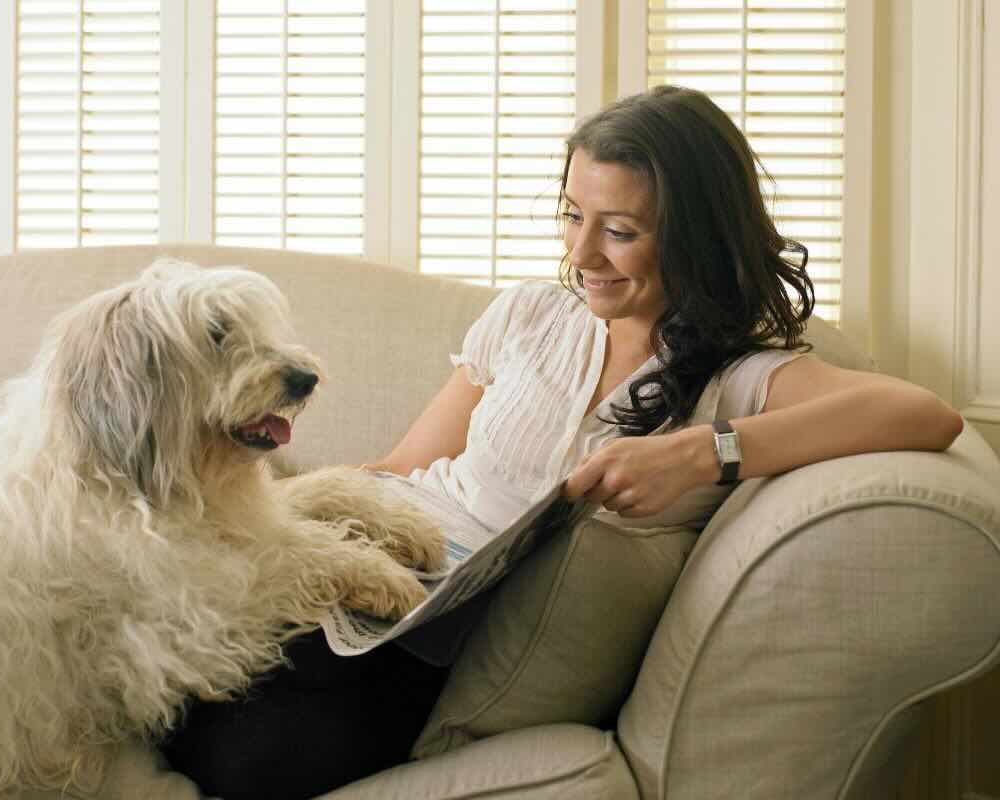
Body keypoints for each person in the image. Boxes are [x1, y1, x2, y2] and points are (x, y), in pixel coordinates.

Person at [159, 85, 963, 799]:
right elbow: (402, 470)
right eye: (574, 217)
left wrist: (702, 450)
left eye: (619, 231)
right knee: (151, 661)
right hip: (366, 572)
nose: (581, 256)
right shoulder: (529, 314)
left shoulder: (738, 376)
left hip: (435, 642)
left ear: (697, 237)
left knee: (243, 756)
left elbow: (925, 415)